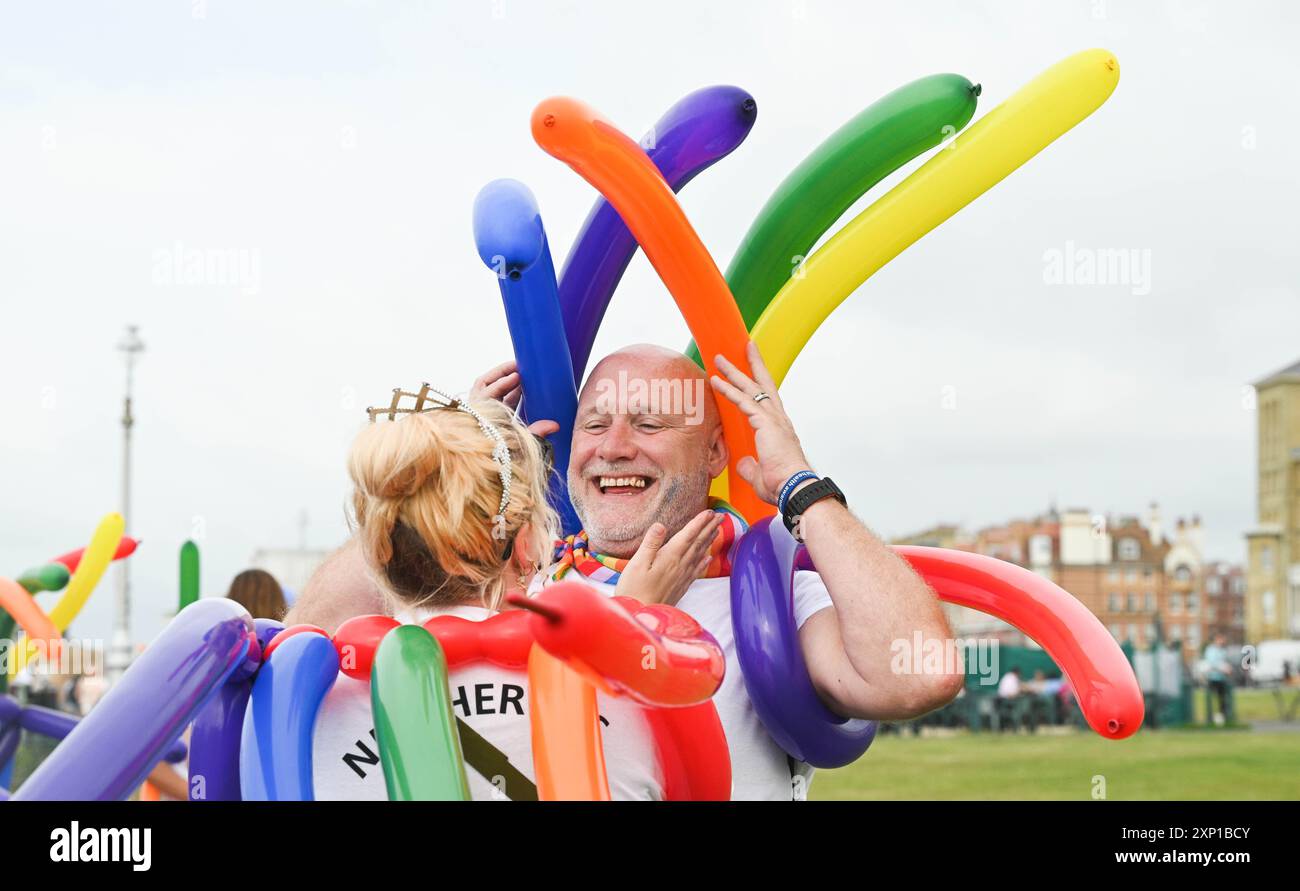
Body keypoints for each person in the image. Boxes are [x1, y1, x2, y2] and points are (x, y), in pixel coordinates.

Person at [292, 342, 962, 799]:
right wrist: (442, 465)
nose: (615, 447)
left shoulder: (768, 598)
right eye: (597, 422)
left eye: (649, 423)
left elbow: (921, 672)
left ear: (714, 451)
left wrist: (803, 488)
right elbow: (304, 633)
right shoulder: (512, 580)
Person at [309, 386, 711, 801]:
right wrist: (629, 622)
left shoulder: (319, 709)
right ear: (524, 543)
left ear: (378, 552)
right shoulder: (631, 707)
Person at [1203, 632, 1233, 726]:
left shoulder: (1223, 651)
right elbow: (1211, 663)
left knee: (1222, 699)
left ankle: (1222, 717)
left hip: (1222, 679)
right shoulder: (1210, 650)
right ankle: (1212, 718)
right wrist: (1223, 668)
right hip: (1212, 678)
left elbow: (1225, 661)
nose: (1222, 641)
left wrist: (1228, 668)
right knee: (1212, 699)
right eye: (1220, 640)